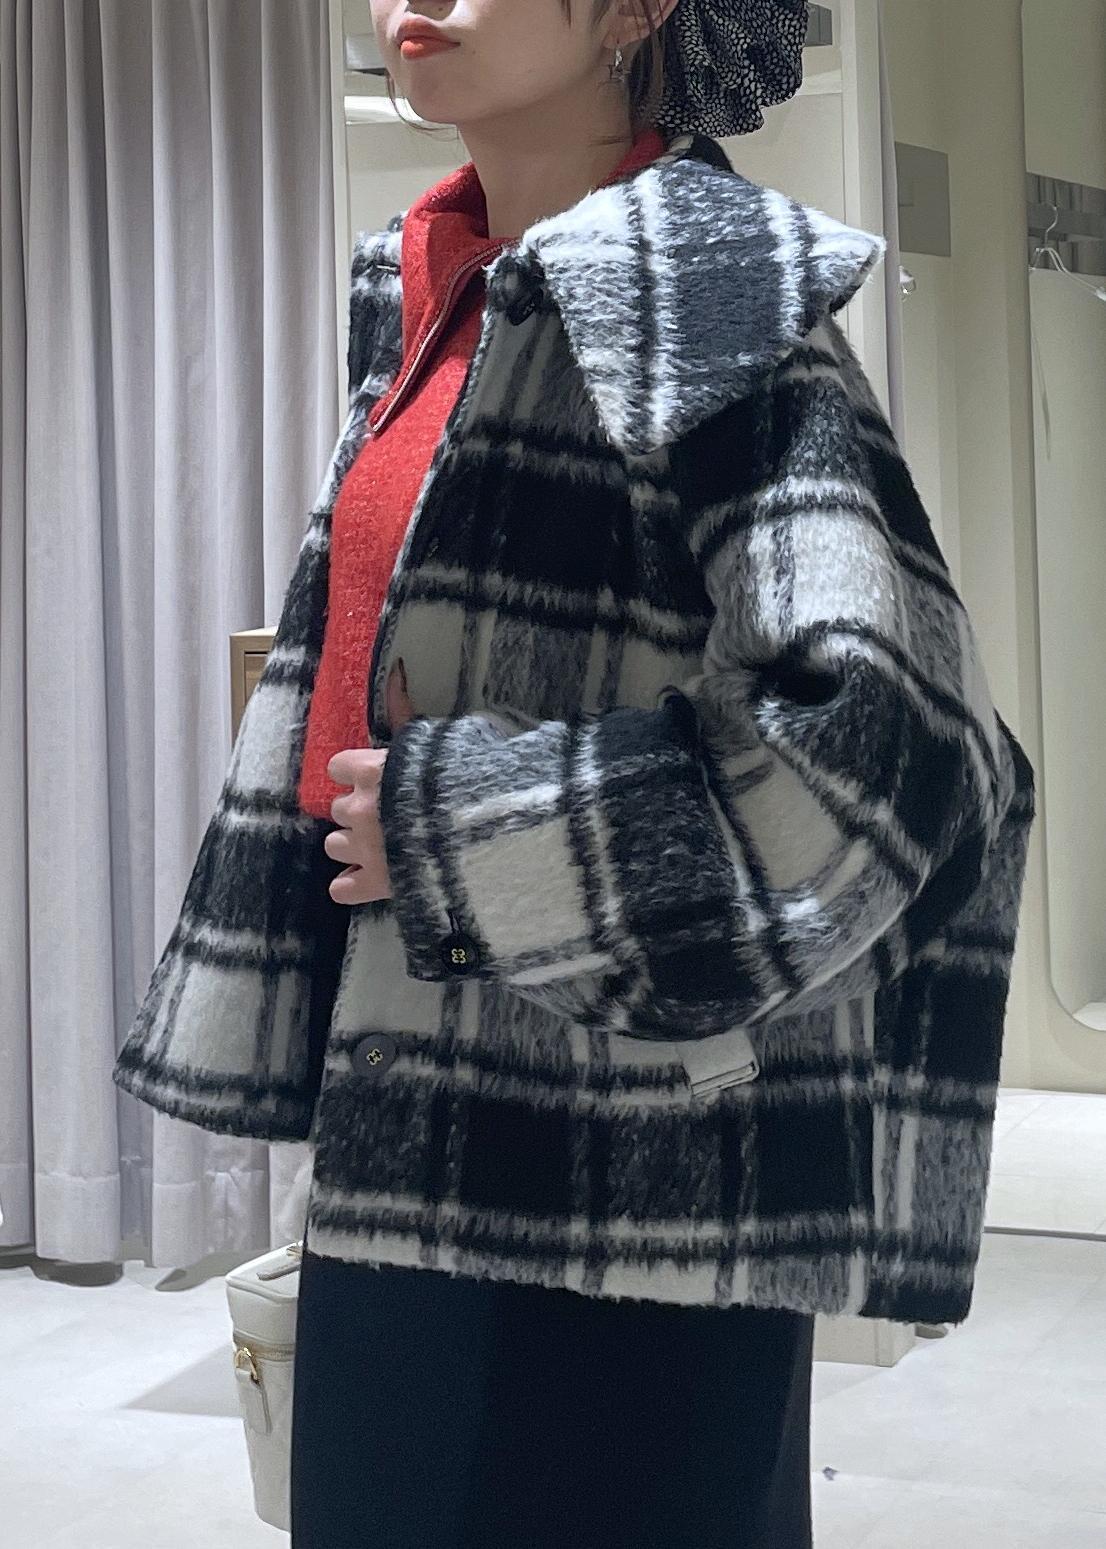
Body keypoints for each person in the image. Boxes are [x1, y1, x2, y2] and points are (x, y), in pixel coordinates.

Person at [112, 2, 1036, 1546]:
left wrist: (464, 829)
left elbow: (885, 740)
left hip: (640, 1155)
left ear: (631, 8)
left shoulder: (702, 290)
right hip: (415, 1102)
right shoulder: (439, 287)